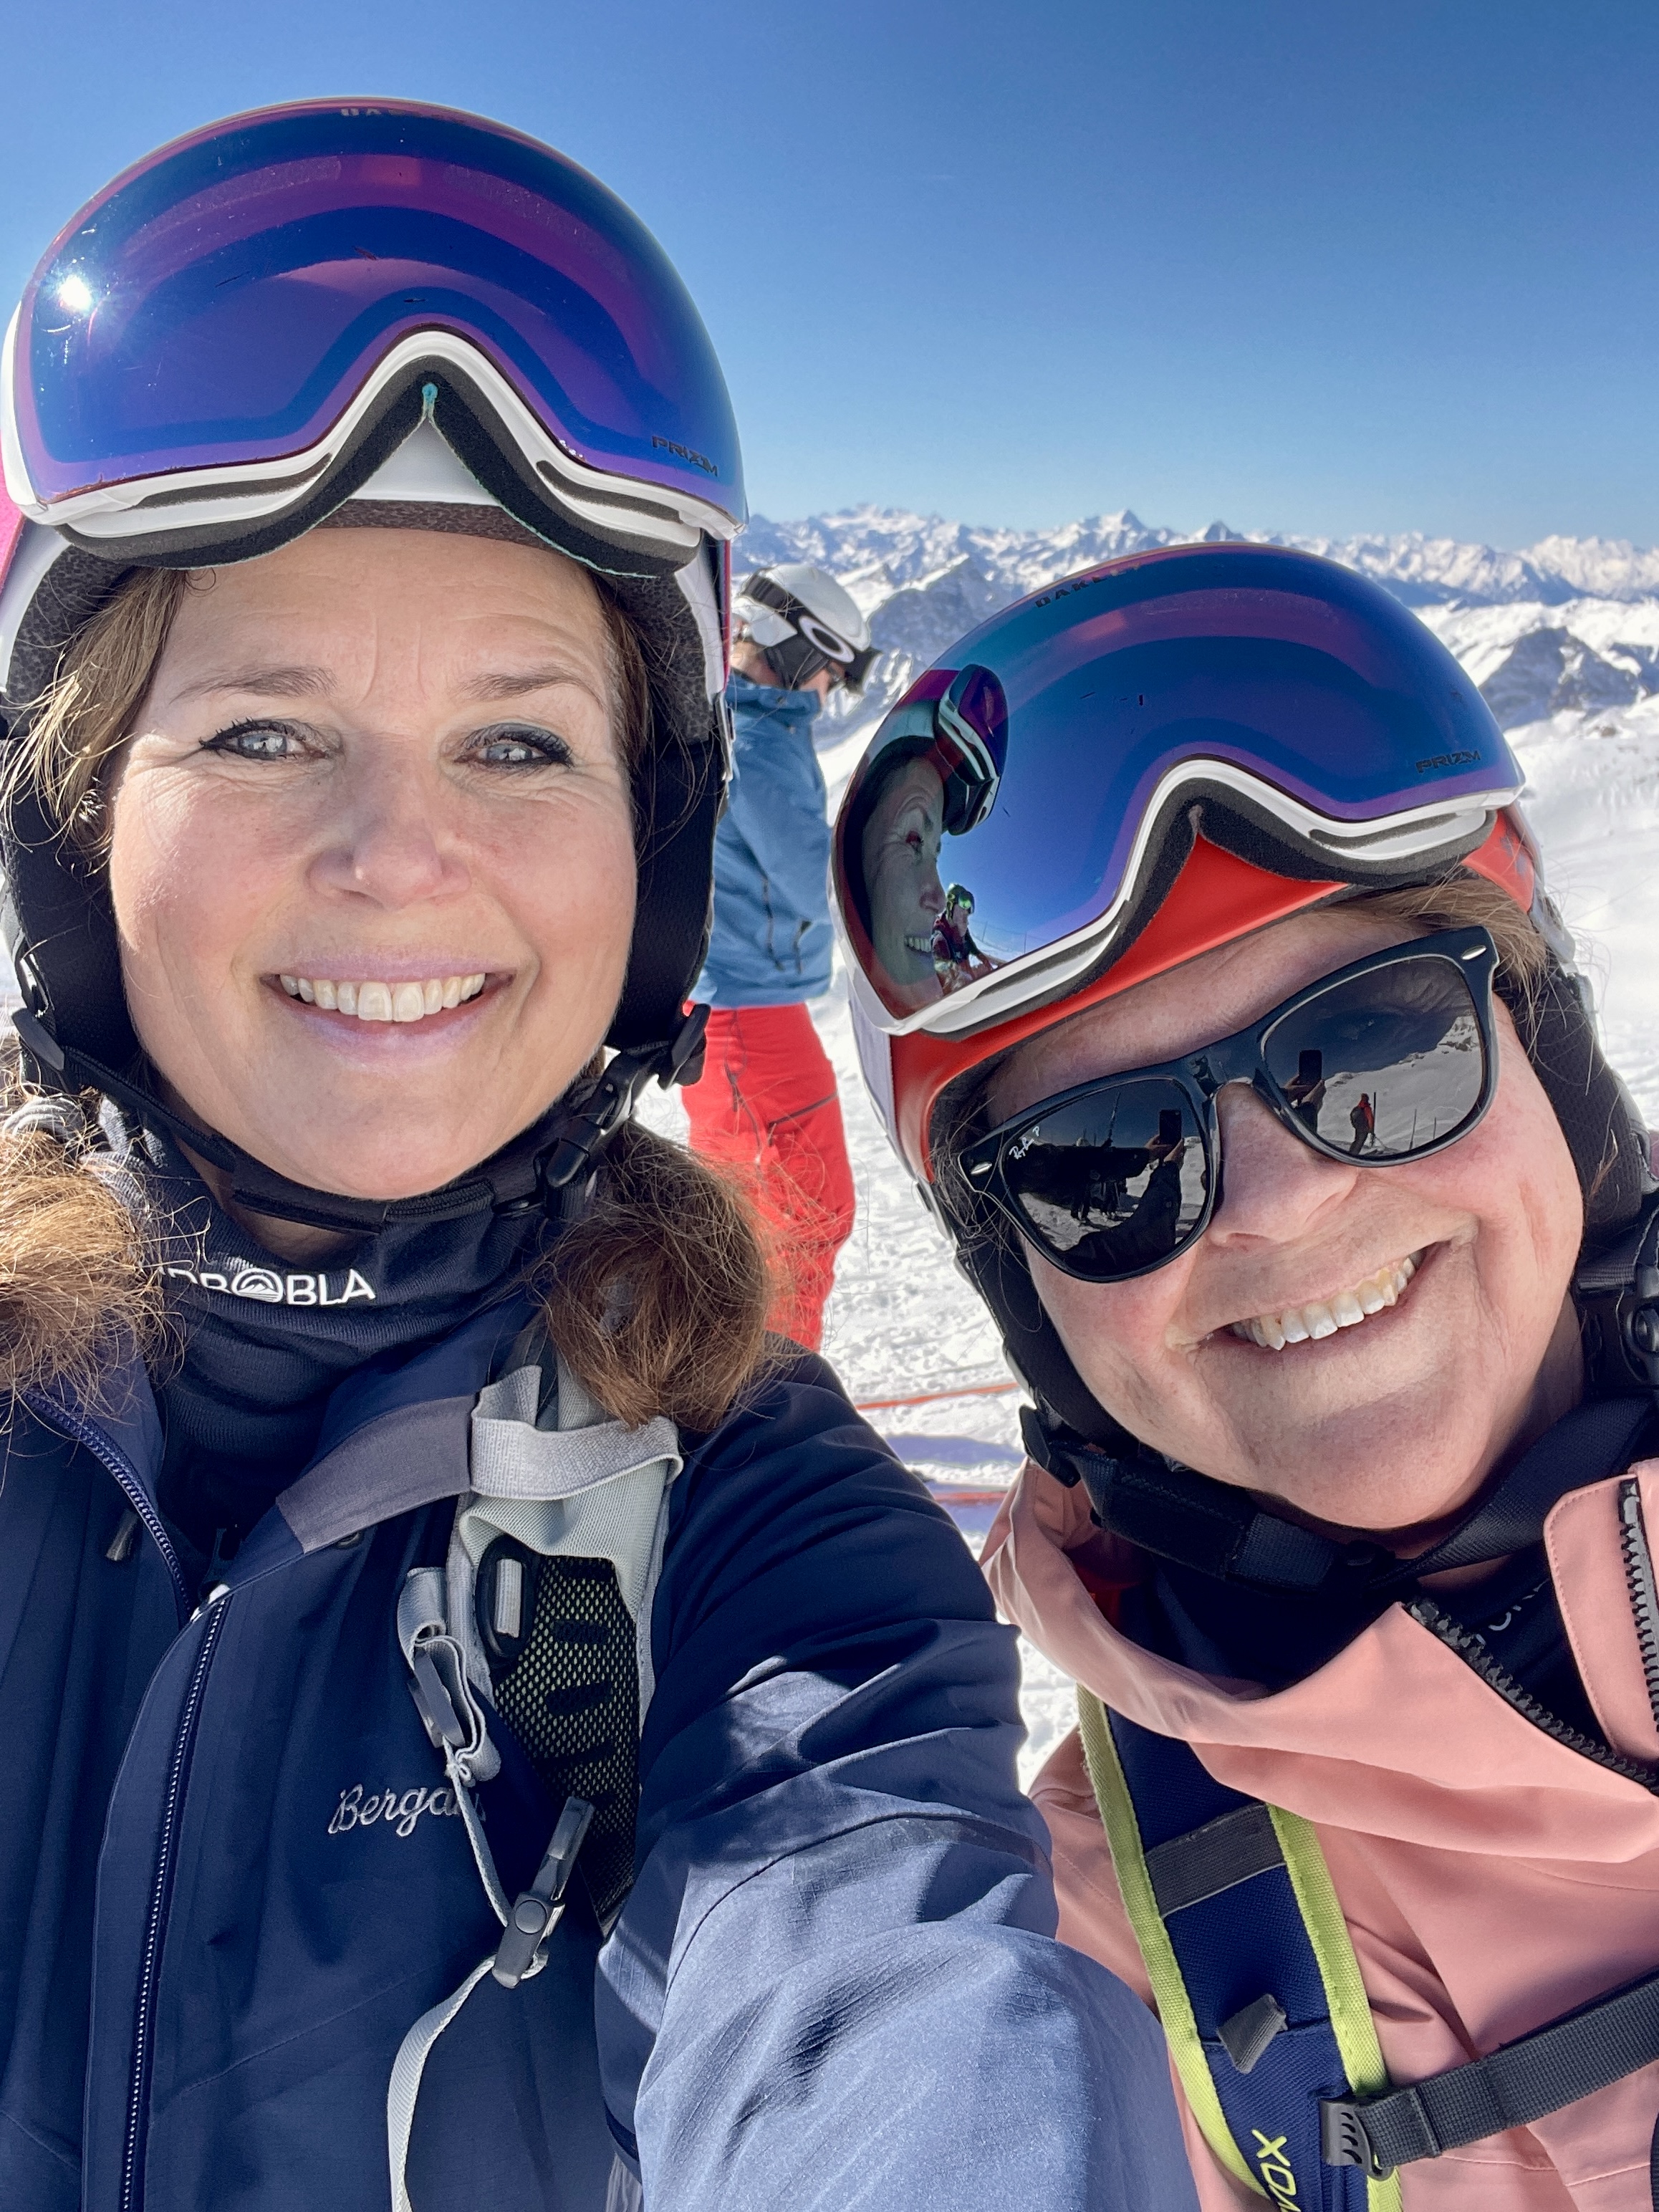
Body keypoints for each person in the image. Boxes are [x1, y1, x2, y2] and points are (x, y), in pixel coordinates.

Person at [0, 102, 1198, 2212]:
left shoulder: (754, 1541)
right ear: (76, 825)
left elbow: (898, 2011)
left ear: (644, 853)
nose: (400, 856)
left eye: (519, 737)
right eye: (262, 728)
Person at [834, 539, 1659, 2207]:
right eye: (1109, 1160)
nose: (1280, 1205)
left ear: (1547, 1062)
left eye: (1375, 1045)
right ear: (1028, 1306)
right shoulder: (1095, 1968)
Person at [686, 564, 873, 1348]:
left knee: (745, 1220)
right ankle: (771, 1398)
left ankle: (728, 1387)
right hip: (747, 1016)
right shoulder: (762, 743)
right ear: (800, 648)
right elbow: (811, 878)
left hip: (731, 1009)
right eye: (831, 671)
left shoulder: (736, 723)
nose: (828, 691)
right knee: (802, 1218)